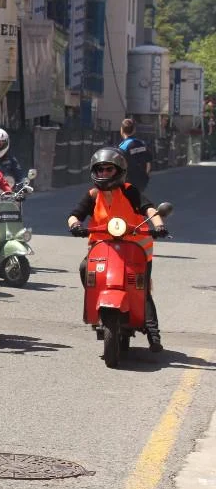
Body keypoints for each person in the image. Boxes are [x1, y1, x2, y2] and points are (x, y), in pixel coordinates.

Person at [67, 147, 167, 351]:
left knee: (141, 287)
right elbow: (74, 214)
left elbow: (149, 208)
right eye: (100, 169)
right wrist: (75, 225)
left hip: (135, 249)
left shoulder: (130, 191)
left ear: (119, 171)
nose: (104, 173)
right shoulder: (93, 195)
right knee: (84, 268)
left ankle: (153, 334)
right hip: (103, 249)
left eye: (109, 169)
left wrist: (158, 225)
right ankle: (97, 306)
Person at [118, 118, 152, 194]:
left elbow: (120, 168)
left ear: (122, 130)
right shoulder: (142, 144)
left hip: (128, 183)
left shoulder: (122, 147)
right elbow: (148, 165)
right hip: (141, 182)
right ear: (134, 130)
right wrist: (145, 178)